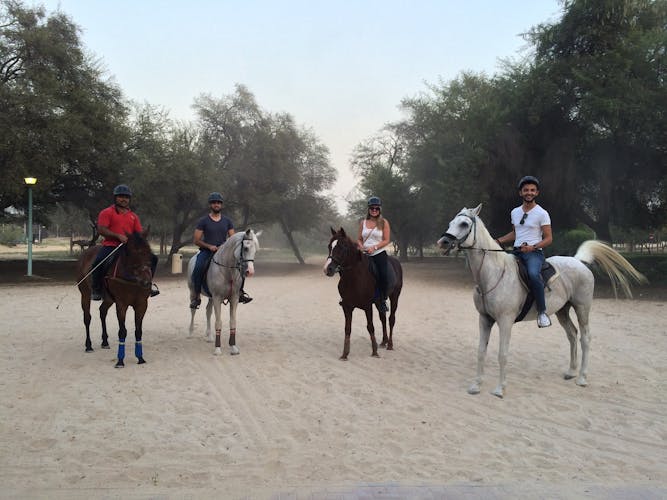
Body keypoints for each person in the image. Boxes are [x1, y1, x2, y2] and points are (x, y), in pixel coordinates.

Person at [495, 175, 553, 328]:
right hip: (516, 252)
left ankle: (542, 312)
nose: (529, 192)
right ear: (520, 193)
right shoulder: (515, 212)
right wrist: (499, 241)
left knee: (534, 275)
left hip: (534, 253)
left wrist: (533, 247)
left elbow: (548, 238)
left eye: (532, 190)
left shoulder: (542, 213)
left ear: (537, 193)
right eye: (526, 190)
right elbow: (515, 233)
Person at [91, 184, 159, 301]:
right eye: (121, 196)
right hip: (111, 246)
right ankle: (96, 289)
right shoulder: (107, 212)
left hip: (129, 248)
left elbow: (137, 233)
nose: (124, 199)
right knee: (98, 262)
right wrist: (117, 236)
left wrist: (142, 236)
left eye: (126, 197)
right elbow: (101, 229)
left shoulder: (133, 216)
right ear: (115, 198)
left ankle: (148, 284)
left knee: (153, 258)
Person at [190, 192, 252, 309]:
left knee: (240, 267)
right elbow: (196, 240)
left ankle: (240, 292)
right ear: (210, 205)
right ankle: (196, 296)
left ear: (221, 205)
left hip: (223, 252)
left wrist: (223, 247)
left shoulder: (227, 221)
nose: (216, 204)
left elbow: (233, 239)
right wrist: (209, 246)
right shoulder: (203, 221)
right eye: (214, 202)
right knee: (198, 267)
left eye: (218, 202)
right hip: (207, 251)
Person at [357, 196, 392, 313]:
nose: (374, 210)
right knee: (349, 269)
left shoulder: (384, 222)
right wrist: (361, 246)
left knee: (383, 274)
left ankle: (382, 300)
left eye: (376, 208)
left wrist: (374, 247)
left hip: (378, 252)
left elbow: (386, 240)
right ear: (368, 209)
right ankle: (347, 296)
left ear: (380, 209)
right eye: (372, 208)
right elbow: (359, 239)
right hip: (364, 253)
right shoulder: (363, 222)